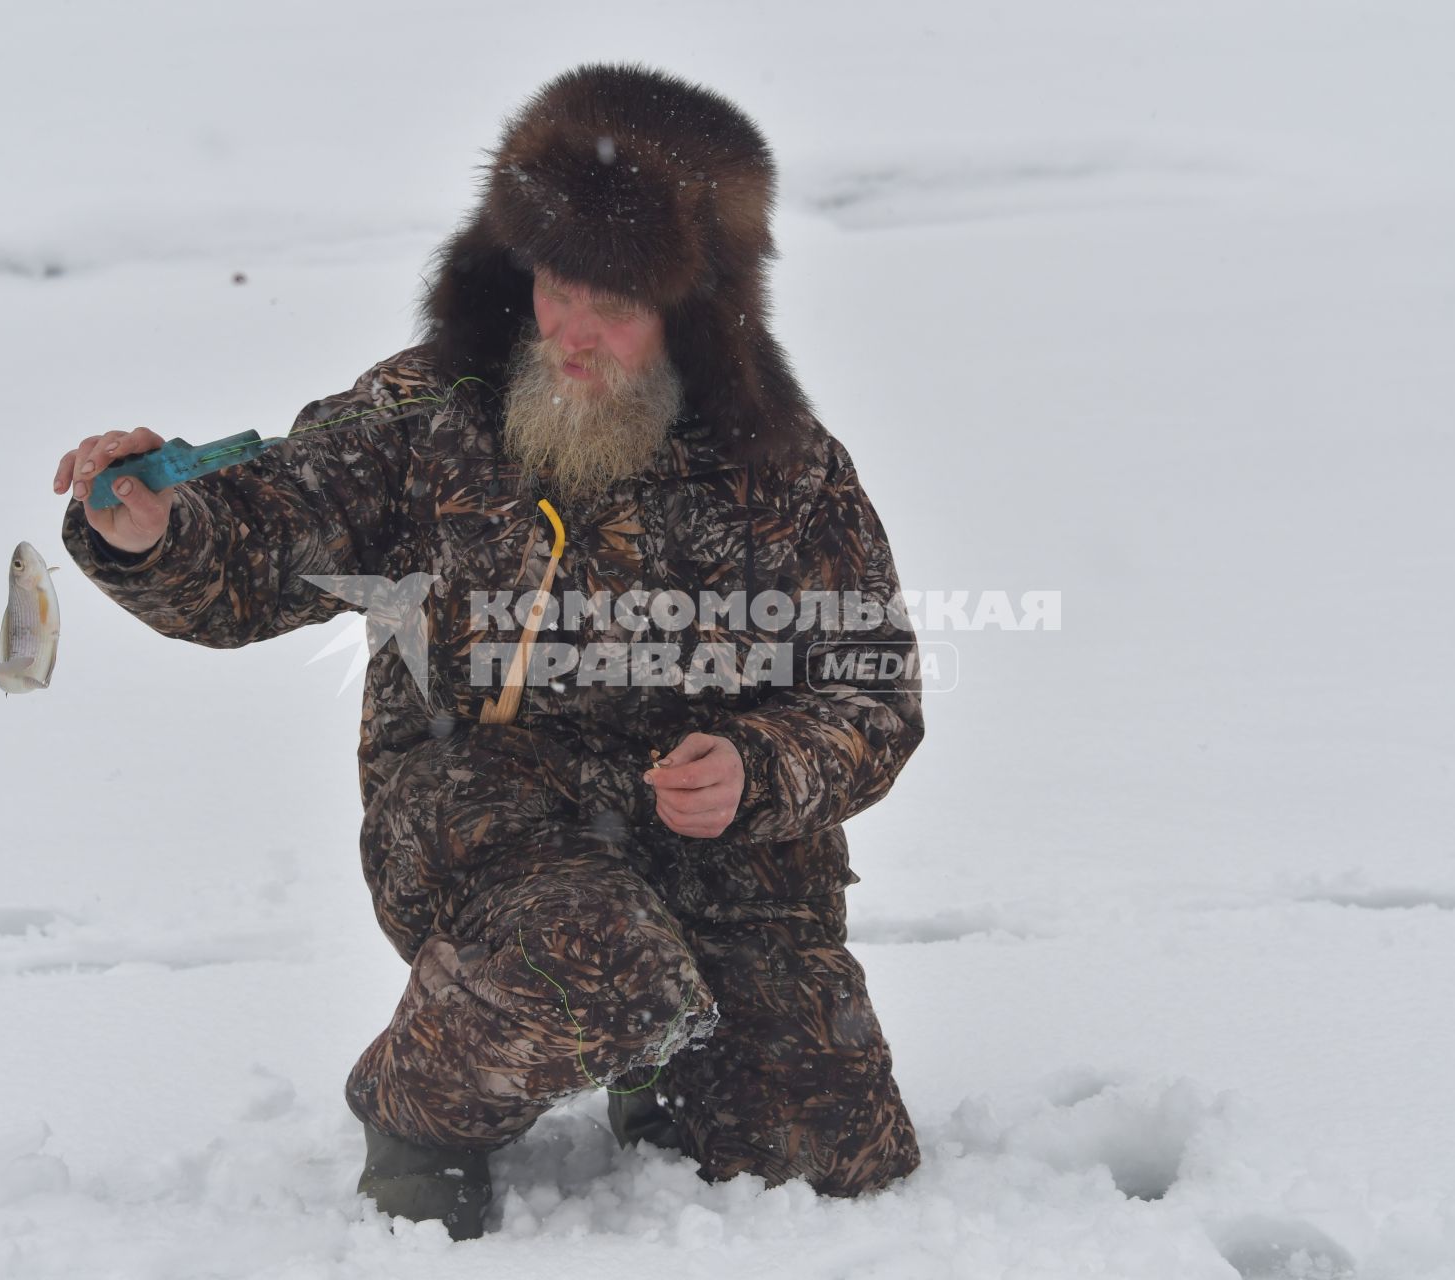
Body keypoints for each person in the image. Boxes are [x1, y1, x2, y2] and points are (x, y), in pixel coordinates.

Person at [54, 62, 926, 1241]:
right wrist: (159, 531)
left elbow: (873, 689)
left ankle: (662, 1064)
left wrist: (759, 768)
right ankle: (418, 1110)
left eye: (613, 308)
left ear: (697, 315)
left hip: (718, 855)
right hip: (485, 819)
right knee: (600, 959)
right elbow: (266, 538)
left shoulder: (786, 464)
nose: (568, 332)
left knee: (836, 1149)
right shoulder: (429, 414)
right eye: (558, 287)